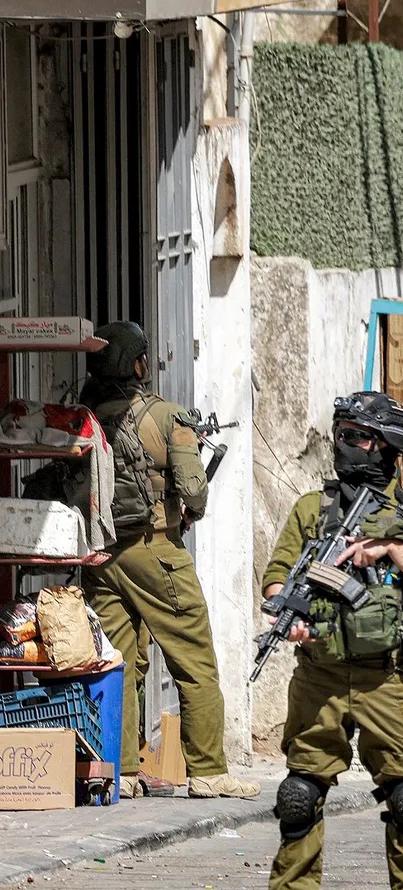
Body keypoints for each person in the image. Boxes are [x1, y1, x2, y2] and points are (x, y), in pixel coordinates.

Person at [263, 391, 403, 890]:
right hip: (321, 675)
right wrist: (288, 613)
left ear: (387, 447)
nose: (344, 446)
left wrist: (393, 548)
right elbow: (277, 576)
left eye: (357, 436)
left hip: (388, 679)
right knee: (299, 794)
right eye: (341, 435)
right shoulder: (313, 509)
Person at [79, 321, 257, 800]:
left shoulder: (82, 415)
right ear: (138, 364)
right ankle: (209, 771)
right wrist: (186, 504)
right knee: (194, 659)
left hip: (99, 555)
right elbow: (194, 491)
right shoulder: (168, 416)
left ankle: (121, 771)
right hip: (156, 551)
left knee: (116, 664)